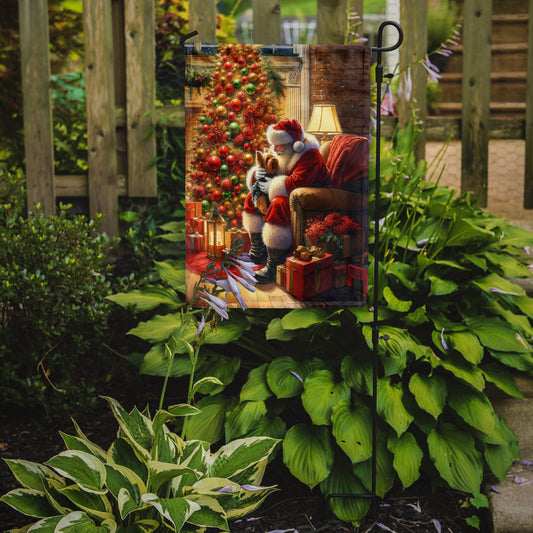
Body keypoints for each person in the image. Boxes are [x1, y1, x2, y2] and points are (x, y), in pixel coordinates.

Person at [242, 118, 330, 283]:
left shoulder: (310, 156)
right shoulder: (285, 153)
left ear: (294, 144)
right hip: (289, 194)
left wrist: (270, 186)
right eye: (274, 145)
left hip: (308, 202)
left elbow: (296, 183)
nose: (275, 149)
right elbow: (275, 172)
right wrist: (258, 176)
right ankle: (258, 251)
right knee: (251, 198)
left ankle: (274, 265)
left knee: (278, 204)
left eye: (279, 146)